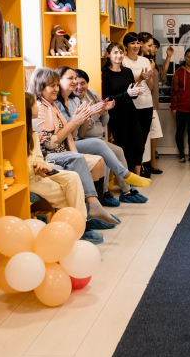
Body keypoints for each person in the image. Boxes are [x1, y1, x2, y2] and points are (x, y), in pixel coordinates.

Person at [28, 67, 121, 228]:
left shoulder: (52, 105)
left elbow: (72, 134)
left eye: (57, 85)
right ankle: (94, 208)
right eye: (52, 86)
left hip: (62, 151)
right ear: (40, 87)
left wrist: (80, 120)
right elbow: (50, 143)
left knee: (98, 161)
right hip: (49, 155)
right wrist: (74, 122)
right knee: (80, 157)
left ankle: (94, 211)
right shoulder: (41, 108)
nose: (56, 89)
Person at [53, 67, 149, 205]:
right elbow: (77, 134)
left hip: (78, 139)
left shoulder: (76, 100)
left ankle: (126, 190)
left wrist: (100, 112)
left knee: (117, 150)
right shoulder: (56, 104)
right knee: (99, 148)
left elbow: (83, 130)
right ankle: (116, 183)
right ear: (59, 81)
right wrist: (91, 115)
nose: (77, 84)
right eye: (72, 79)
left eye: (81, 82)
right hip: (73, 142)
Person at [24, 92, 103, 245]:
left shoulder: (32, 133)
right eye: (34, 104)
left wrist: (42, 165)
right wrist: (36, 168)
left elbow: (39, 157)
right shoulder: (21, 134)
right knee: (68, 193)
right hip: (30, 178)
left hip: (40, 172)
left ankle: (80, 224)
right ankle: (80, 229)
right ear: (28, 108)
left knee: (73, 176)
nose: (37, 107)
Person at [102, 42, 150, 182]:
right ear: (108, 55)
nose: (119, 55)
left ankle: (133, 177)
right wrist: (126, 94)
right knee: (124, 149)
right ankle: (127, 181)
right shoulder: (106, 73)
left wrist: (136, 91)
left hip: (132, 113)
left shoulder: (127, 71)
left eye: (121, 52)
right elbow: (107, 98)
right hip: (117, 116)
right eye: (115, 52)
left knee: (139, 146)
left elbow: (132, 95)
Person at [122, 32, 154, 175]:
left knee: (143, 141)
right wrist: (140, 77)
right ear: (126, 45)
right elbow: (126, 85)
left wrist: (149, 78)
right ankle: (131, 171)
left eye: (137, 43)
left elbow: (151, 87)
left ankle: (138, 171)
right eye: (132, 43)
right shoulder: (123, 61)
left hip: (147, 104)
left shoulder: (145, 61)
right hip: (132, 106)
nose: (136, 46)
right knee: (134, 141)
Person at [142, 37, 171, 174]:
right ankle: (148, 162)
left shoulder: (151, 62)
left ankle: (150, 160)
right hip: (144, 103)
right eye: (153, 46)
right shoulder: (143, 62)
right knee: (153, 131)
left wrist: (168, 57)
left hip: (152, 103)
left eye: (155, 47)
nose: (154, 49)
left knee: (154, 132)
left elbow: (162, 73)